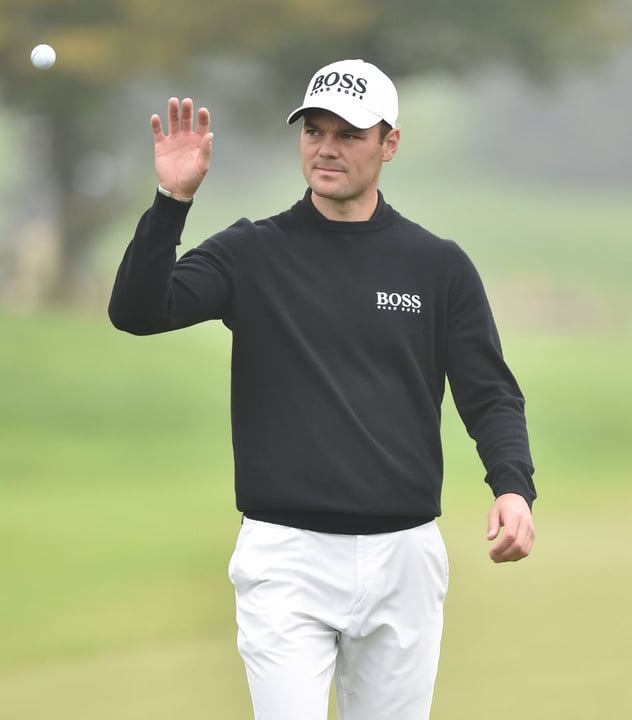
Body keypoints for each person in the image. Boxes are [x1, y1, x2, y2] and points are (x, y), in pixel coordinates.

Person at [108, 58, 536, 720]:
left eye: (348, 134)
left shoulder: (437, 266)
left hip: (405, 558)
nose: (327, 148)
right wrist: (173, 202)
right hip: (286, 558)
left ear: (389, 143)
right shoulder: (251, 253)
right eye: (314, 130)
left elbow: (490, 393)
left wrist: (512, 485)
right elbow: (138, 312)